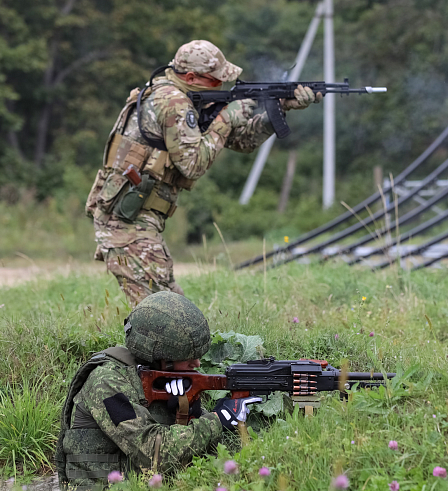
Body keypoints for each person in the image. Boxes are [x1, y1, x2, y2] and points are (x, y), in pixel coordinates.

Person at [86, 40, 322, 305]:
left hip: (132, 218)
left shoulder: (177, 95)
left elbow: (241, 142)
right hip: (127, 223)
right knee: (161, 319)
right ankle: (128, 348)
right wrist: (225, 119)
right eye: (215, 81)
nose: (221, 87)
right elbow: (193, 165)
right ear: (190, 77)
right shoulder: (173, 103)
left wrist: (279, 110)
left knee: (175, 313)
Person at [55, 291, 262, 490]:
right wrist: (218, 419)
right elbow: (154, 453)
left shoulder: (156, 377)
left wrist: (189, 413)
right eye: (188, 358)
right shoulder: (107, 383)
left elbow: (197, 451)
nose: (197, 363)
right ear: (162, 358)